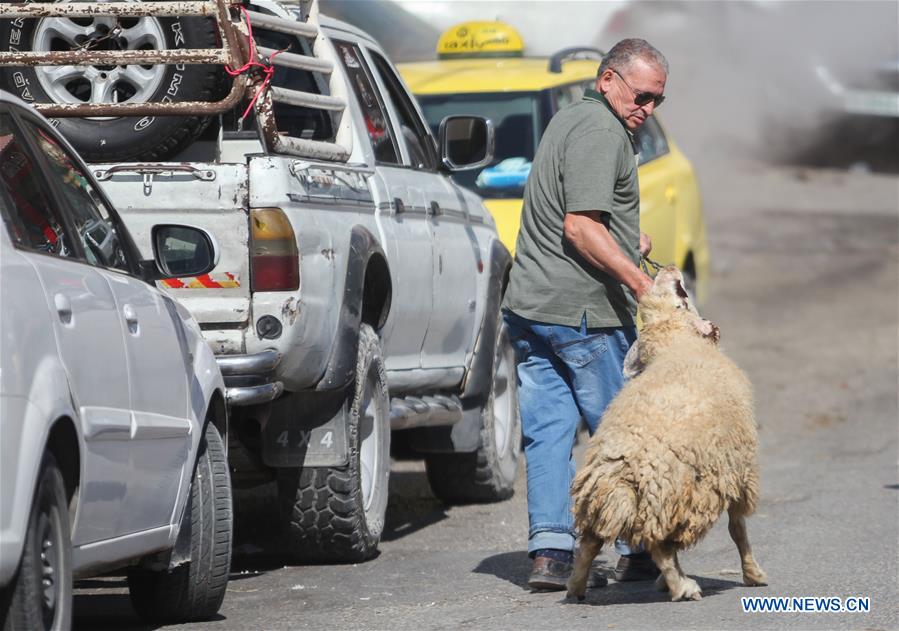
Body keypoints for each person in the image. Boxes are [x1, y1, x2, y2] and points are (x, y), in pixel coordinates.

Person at [501, 38, 669, 591]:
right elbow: (579, 226)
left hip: (533, 306)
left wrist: (627, 239)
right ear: (608, 81)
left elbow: (580, 212)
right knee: (619, 433)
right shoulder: (603, 131)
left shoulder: (571, 119)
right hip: (584, 316)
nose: (647, 108)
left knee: (548, 433)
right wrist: (640, 281)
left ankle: (550, 555)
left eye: (657, 101)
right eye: (641, 94)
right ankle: (640, 549)